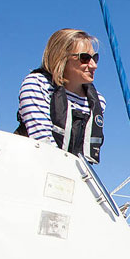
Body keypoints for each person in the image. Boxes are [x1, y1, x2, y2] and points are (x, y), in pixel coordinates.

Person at [16, 28, 106, 163]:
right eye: (85, 58)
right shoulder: (38, 85)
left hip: (68, 173)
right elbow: (42, 142)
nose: (93, 65)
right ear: (61, 58)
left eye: (95, 58)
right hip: (28, 165)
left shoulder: (98, 101)